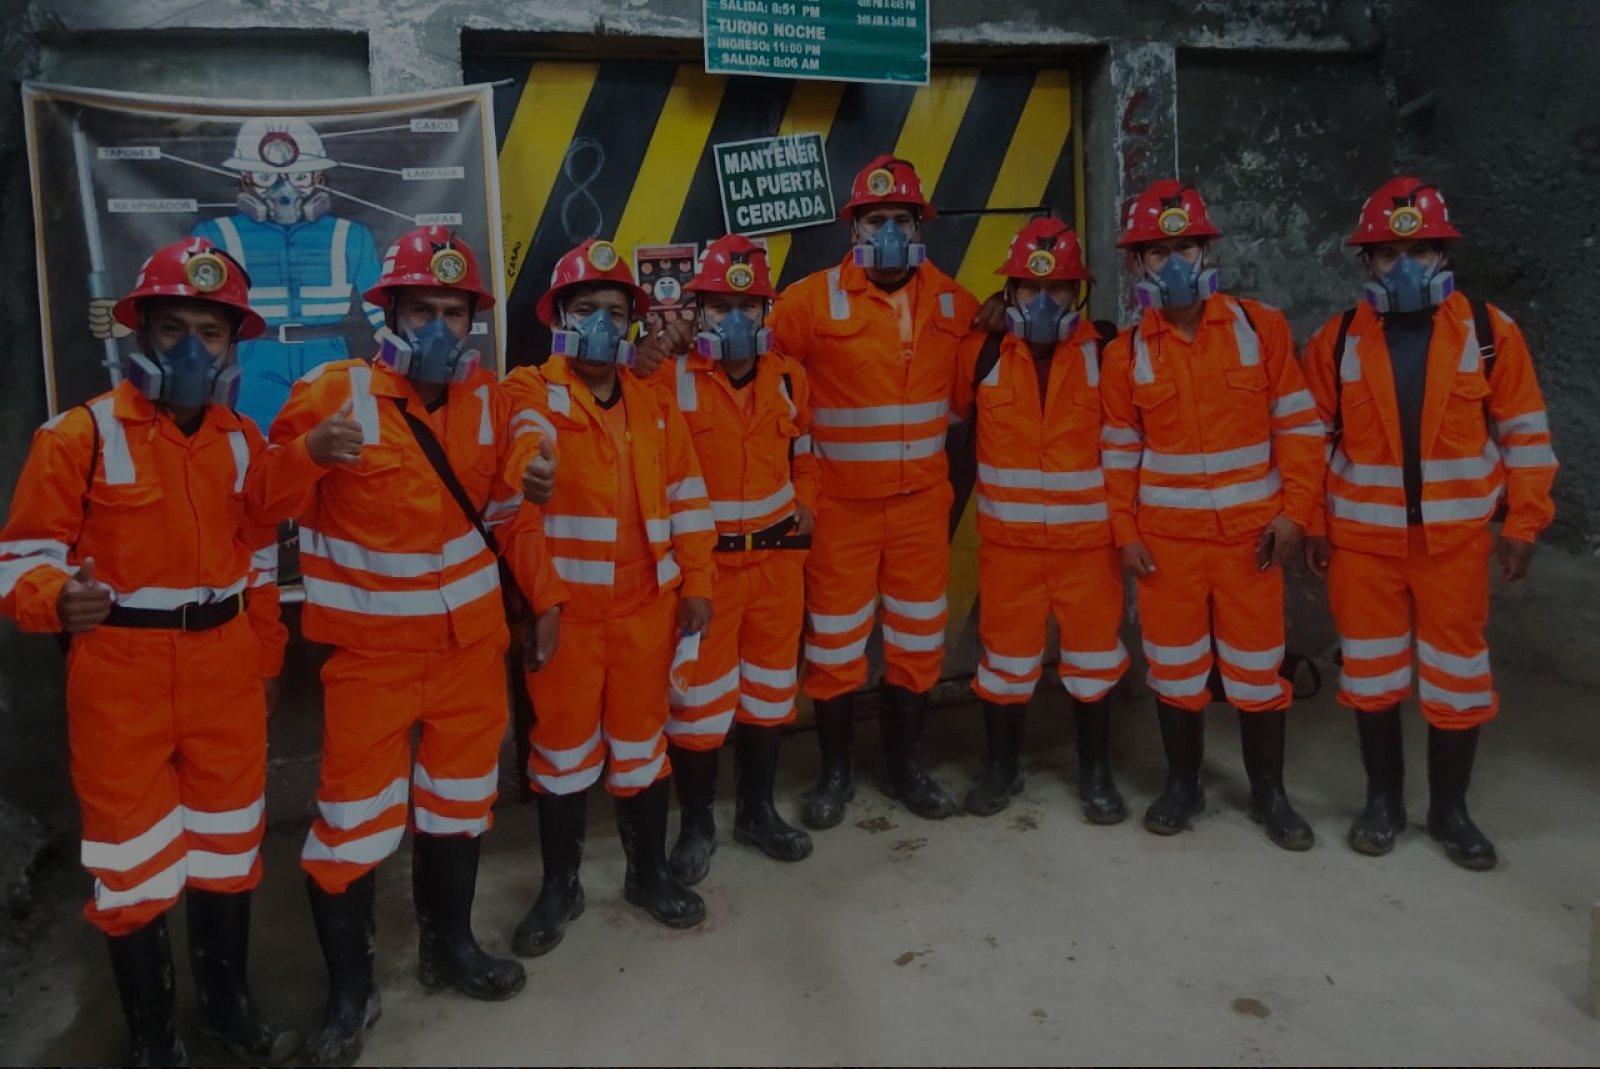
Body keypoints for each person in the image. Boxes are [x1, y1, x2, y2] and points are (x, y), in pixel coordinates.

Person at [247, 225, 564, 1064]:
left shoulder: (487, 400)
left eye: (454, 312)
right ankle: (350, 992)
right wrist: (309, 454)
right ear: (387, 313)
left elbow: (510, 511)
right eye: (422, 309)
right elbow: (259, 501)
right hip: (373, 660)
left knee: (459, 807)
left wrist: (544, 593)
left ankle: (449, 947)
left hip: (470, 653)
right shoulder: (333, 393)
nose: (440, 327)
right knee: (350, 829)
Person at [0, 237, 293, 1066]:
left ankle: (227, 1006)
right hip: (119, 674)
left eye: (211, 332)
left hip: (225, 668)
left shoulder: (244, 441)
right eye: (174, 329)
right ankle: (153, 1036)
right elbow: (20, 557)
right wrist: (56, 598)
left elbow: (259, 560)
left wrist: (266, 657)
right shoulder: (79, 436)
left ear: (233, 347)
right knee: (130, 865)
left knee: (228, 845)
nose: (193, 350)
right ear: (141, 333)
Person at [1301, 177, 1558, 870]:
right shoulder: (1339, 340)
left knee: (1456, 677)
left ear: (1444, 254)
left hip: (1453, 545)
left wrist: (1523, 522)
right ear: (1366, 263)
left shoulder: (1489, 334)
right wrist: (1312, 521)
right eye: (1388, 254)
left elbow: (1526, 433)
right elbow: (1307, 440)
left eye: (1419, 251)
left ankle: (1450, 812)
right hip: (1363, 544)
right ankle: (1383, 804)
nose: (1405, 268)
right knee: (1372, 675)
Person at [501, 238, 717, 957]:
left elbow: (688, 497)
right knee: (561, 755)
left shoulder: (653, 402)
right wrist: (528, 471)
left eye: (616, 312)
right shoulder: (530, 392)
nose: (601, 323)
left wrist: (698, 582)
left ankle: (648, 873)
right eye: (586, 308)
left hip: (646, 612)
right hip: (567, 617)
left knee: (642, 750)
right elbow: (522, 450)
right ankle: (560, 886)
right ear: (558, 316)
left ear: (632, 323)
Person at [1099, 180, 1326, 850]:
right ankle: (1183, 785)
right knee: (1175, 669)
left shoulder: (1261, 329)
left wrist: (1296, 514)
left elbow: (1299, 428)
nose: (1173, 263)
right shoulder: (1125, 353)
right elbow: (1118, 453)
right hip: (1167, 547)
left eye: (1185, 247)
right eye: (1156, 251)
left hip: (1252, 542)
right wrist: (1125, 532)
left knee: (1259, 670)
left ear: (1207, 250)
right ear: (1135, 263)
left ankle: (1269, 793)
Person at [766, 155, 978, 828]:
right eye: (875, 218)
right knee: (834, 645)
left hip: (922, 507)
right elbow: (756, 376)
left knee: (917, 641)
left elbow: (976, 387)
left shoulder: (956, 304)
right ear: (852, 228)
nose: (889, 231)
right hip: (841, 510)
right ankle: (835, 773)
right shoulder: (806, 302)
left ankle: (905, 767)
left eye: (901, 219)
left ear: (921, 227)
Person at [645, 234, 817, 884]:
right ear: (697, 311)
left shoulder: (789, 376)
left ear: (767, 310)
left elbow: (806, 449)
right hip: (707, 573)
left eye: (748, 305)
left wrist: (807, 501)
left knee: (769, 696)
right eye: (720, 306)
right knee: (697, 705)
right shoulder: (670, 378)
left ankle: (758, 812)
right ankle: (697, 824)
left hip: (777, 566)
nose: (735, 319)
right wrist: (649, 349)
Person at [952, 217, 1129, 821]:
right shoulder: (978, 356)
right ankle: (1001, 768)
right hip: (1011, 549)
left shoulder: (1109, 353)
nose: (1044, 300)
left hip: (1089, 548)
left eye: (1057, 287)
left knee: (1094, 661)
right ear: (1009, 291)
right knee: (1005, 665)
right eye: (1029, 286)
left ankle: (1096, 773)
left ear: (1077, 292)